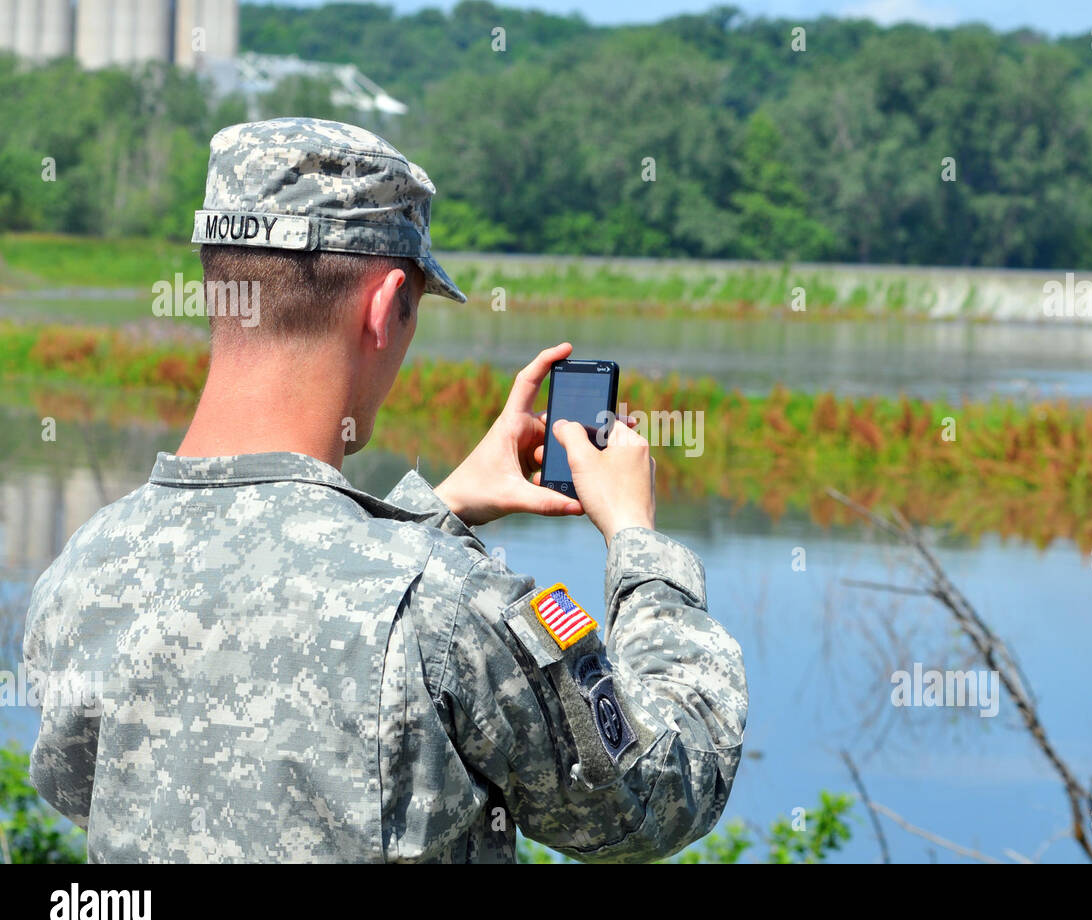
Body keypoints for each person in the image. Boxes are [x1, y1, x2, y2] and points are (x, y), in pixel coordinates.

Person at [23, 117, 747, 863]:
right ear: (382, 304)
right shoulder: (450, 607)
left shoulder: (84, 571)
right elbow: (666, 789)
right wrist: (640, 543)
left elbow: (92, 787)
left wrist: (438, 510)